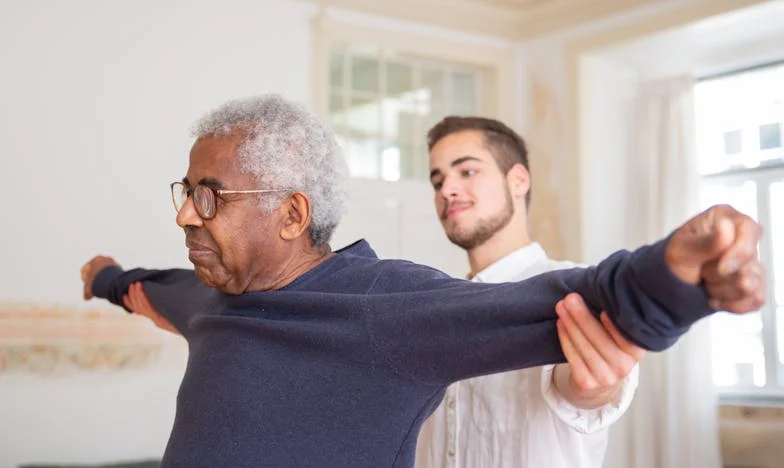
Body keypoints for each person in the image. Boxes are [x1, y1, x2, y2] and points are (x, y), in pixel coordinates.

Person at [80, 94, 764, 468]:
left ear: (291, 214)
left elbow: (558, 301)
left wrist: (679, 276)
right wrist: (107, 277)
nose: (183, 214)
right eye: (185, 191)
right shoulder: (207, 298)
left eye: (208, 195)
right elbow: (151, 289)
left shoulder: (386, 304)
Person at [416, 116, 644, 468]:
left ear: (518, 180)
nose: (447, 189)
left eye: (467, 172)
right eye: (438, 180)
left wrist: (595, 387)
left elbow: (586, 391)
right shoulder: (433, 309)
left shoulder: (576, 291)